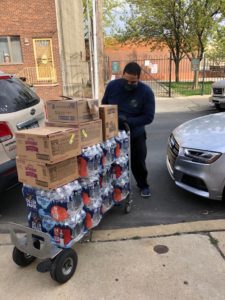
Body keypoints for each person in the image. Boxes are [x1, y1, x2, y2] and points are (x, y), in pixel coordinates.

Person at [102, 62, 155, 197]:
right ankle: (116, 188)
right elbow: (104, 105)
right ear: (122, 75)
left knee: (138, 162)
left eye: (133, 82)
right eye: (127, 80)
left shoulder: (146, 92)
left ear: (139, 78)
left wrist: (128, 121)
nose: (129, 84)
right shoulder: (112, 86)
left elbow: (148, 117)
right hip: (114, 134)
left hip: (135, 134)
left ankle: (143, 185)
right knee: (114, 163)